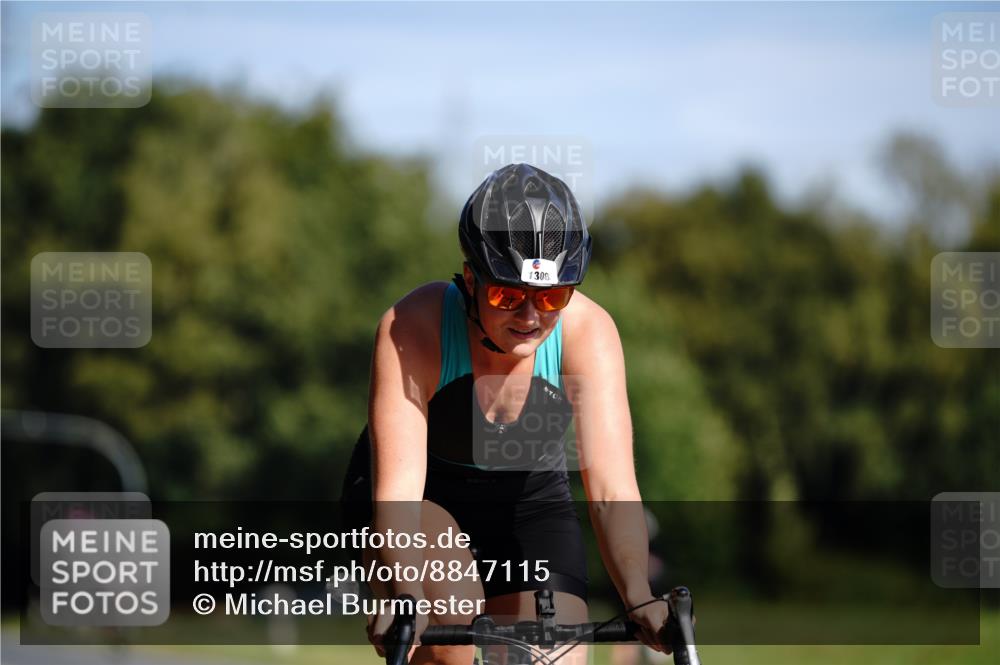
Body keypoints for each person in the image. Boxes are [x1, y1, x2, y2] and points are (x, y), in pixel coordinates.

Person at [341, 163, 669, 664]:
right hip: (425, 497)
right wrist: (404, 592)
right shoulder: (413, 326)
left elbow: (611, 490)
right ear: (470, 279)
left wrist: (638, 594)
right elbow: (399, 496)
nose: (531, 317)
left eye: (552, 296)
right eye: (507, 295)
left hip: (528, 502)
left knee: (556, 657)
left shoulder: (589, 334)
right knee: (451, 630)